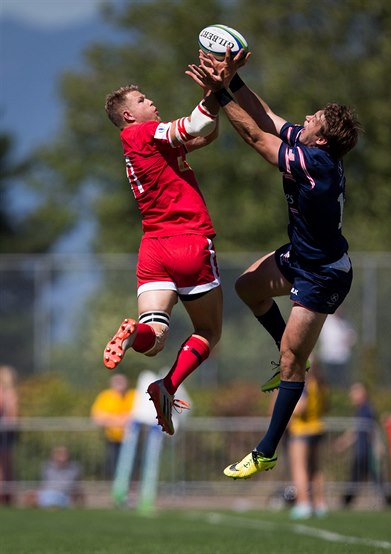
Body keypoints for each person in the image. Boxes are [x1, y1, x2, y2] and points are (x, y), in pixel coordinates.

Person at [187, 48, 361, 478]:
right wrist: (234, 82)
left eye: (314, 118)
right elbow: (267, 118)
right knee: (248, 287)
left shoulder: (316, 164)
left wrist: (219, 94)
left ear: (320, 138)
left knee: (290, 362)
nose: (305, 118)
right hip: (301, 257)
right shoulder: (312, 148)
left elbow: (256, 138)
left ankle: (265, 450)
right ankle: (292, 356)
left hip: (324, 275)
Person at [103, 77, 222, 435]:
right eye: (142, 99)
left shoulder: (144, 145)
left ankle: (133, 332)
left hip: (154, 248)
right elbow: (197, 124)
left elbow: (205, 134)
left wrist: (210, 98)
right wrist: (221, 89)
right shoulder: (145, 134)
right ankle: (167, 385)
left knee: (153, 339)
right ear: (128, 115)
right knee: (208, 330)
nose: (151, 101)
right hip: (188, 242)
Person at [335, 382, 391, 508]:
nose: (351, 395)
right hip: (361, 450)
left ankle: (347, 500)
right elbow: (356, 430)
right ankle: (347, 500)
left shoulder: (367, 409)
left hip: (367, 451)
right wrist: (344, 441)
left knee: (370, 477)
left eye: (354, 392)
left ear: (362, 394)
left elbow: (367, 430)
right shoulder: (360, 409)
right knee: (362, 477)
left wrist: (376, 449)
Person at [287, 359, 329, 519]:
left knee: (300, 467)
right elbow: (325, 406)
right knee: (316, 469)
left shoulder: (304, 384)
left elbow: (300, 406)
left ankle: (303, 503)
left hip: (301, 430)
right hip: (317, 427)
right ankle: (320, 504)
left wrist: (286, 413)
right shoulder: (322, 384)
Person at [91, 373, 136, 479]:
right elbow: (97, 417)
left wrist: (110, 419)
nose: (119, 385)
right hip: (112, 439)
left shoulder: (133, 395)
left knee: (132, 467)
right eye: (117, 382)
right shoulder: (105, 396)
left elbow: (137, 415)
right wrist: (119, 421)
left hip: (132, 440)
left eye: (122, 382)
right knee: (113, 467)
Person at [317, 308, 357, 388]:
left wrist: (348, 341)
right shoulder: (327, 321)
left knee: (340, 381)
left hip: (342, 358)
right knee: (328, 380)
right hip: (328, 357)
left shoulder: (346, 322)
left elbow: (352, 338)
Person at [0, 364, 19, 505]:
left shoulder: (9, 393)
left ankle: (5, 495)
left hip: (5, 432)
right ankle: (6, 495)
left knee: (5, 466)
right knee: (6, 466)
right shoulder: (10, 393)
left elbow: (13, 416)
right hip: (6, 432)